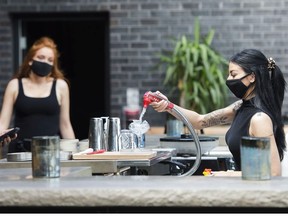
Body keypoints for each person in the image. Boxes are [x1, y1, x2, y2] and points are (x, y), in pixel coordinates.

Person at [150, 49, 287, 176]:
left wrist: (228, 174)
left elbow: (273, 173)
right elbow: (200, 121)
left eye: (233, 74)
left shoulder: (259, 119)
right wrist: (168, 106)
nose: (229, 79)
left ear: (252, 77)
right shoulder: (240, 107)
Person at [0, 36, 75, 153]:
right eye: (41, 57)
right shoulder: (14, 85)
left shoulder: (61, 86)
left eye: (50, 60)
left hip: (51, 151)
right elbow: (3, 123)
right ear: (30, 60)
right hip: (20, 153)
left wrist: (74, 153)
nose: (45, 62)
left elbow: (65, 124)